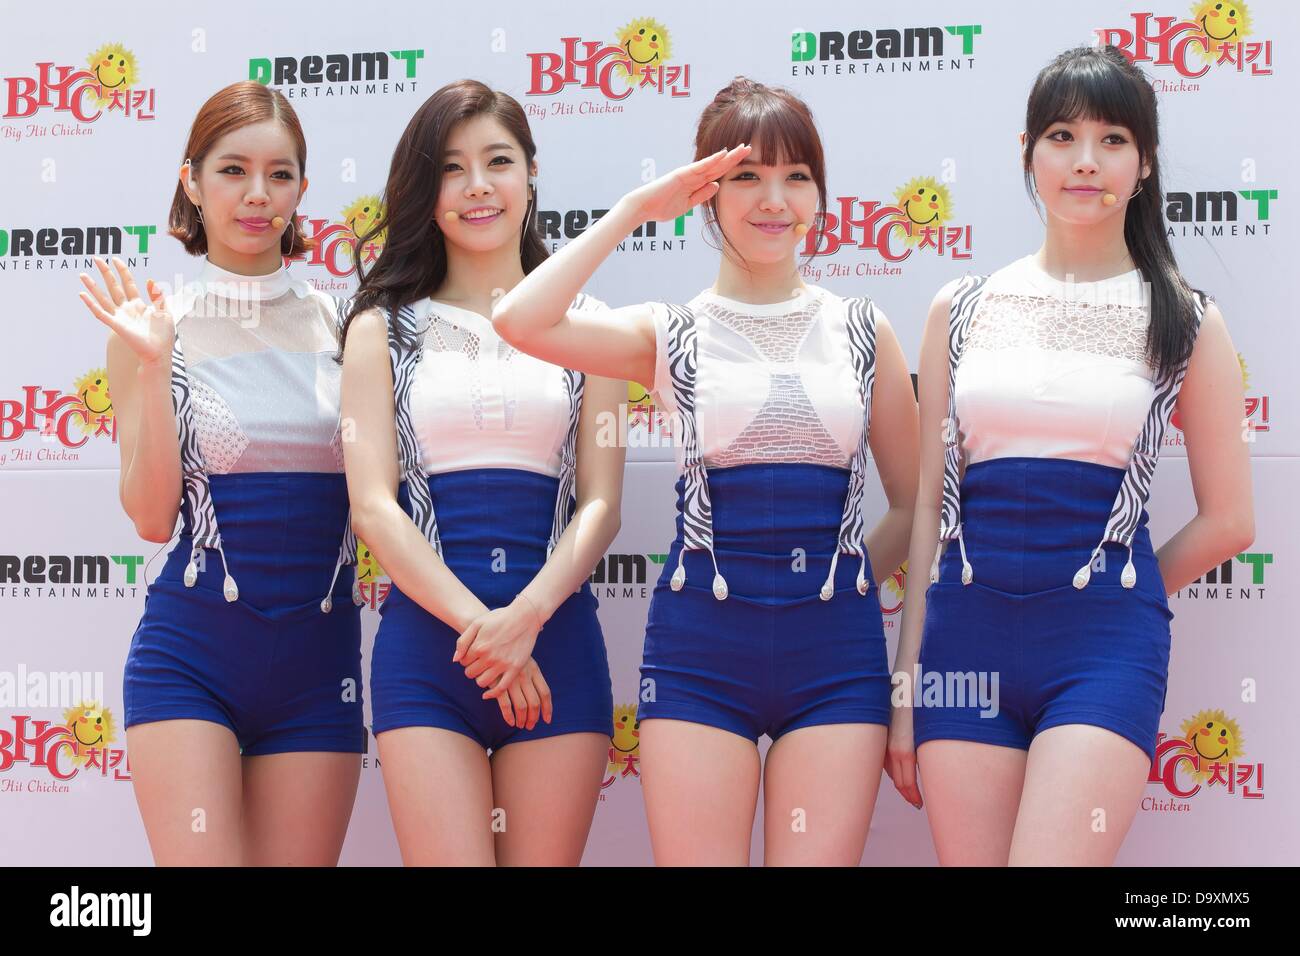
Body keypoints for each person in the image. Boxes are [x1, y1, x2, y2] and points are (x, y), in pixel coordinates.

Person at [492, 77, 919, 865]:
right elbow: (521, 320)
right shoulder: (669, 331)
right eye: (747, 177)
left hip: (837, 657)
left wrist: (844, 577)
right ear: (707, 193)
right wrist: (632, 211)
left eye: (797, 177)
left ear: (821, 195)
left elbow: (917, 505)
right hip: (701, 655)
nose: (774, 199)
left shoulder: (864, 328)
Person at [887, 46, 1255, 866]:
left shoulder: (1188, 321)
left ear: (1145, 161)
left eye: (1113, 139)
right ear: (1028, 151)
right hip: (963, 644)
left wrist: (1116, 588)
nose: (1086, 161)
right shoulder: (961, 307)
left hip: (1102, 648)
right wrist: (906, 686)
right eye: (1062, 135)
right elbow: (926, 521)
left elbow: (1232, 520)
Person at [76, 81, 364, 866]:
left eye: (280, 173)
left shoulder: (348, 324)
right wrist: (153, 361)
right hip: (190, 659)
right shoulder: (150, 324)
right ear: (191, 181)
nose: (257, 195)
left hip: (321, 667)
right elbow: (149, 517)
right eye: (233, 170)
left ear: (302, 188)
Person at [340, 80, 623, 866]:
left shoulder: (589, 326)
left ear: (531, 174)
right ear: (424, 191)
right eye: (452, 168)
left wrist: (526, 619)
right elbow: (374, 509)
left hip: (557, 650)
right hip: (429, 661)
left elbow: (601, 504)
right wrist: (488, 633)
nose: (477, 187)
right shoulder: (380, 327)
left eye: (498, 161)